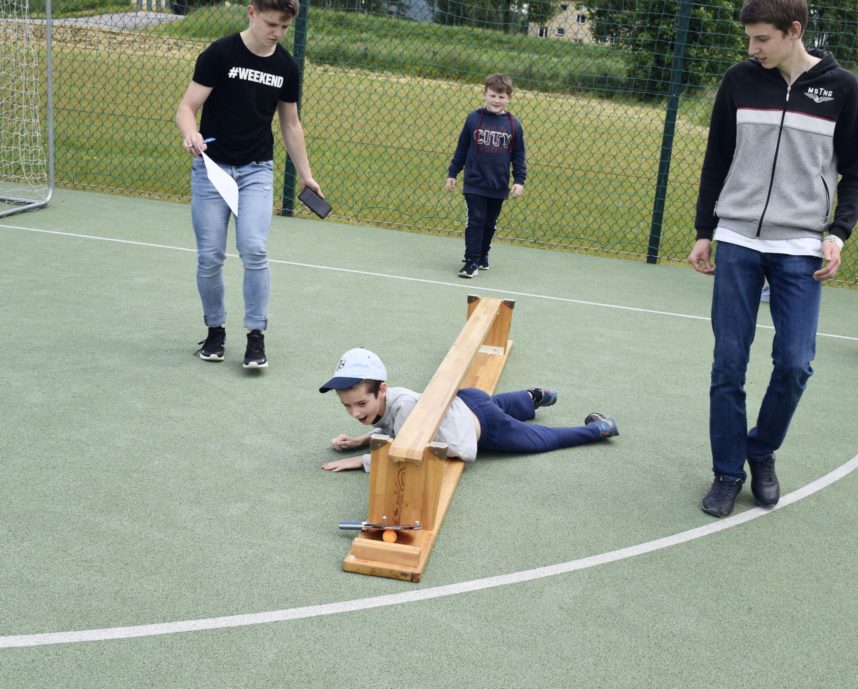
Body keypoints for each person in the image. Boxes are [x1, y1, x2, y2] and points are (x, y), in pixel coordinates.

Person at [686, 0, 858, 517]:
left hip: (801, 247)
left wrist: (838, 235)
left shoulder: (841, 88)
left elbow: (855, 172)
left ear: (794, 31)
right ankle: (727, 472)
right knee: (728, 363)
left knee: (795, 364)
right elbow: (716, 158)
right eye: (749, 38)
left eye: (762, 38)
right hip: (738, 238)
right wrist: (705, 231)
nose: (753, 48)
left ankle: (761, 450)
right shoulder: (739, 80)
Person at [175, 0, 322, 369]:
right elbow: (186, 107)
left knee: (254, 249)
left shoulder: (285, 66)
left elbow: (291, 124)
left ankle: (256, 336)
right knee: (210, 256)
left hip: (256, 170)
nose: (277, 33)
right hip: (212, 169)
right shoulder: (220, 54)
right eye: (271, 24)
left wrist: (306, 174)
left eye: (284, 27)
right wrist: (191, 134)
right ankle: (215, 331)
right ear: (251, 12)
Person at [318, 348, 617, 472]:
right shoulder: (390, 399)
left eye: (361, 404)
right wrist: (360, 440)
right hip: (467, 401)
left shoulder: (405, 407)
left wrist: (361, 460)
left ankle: (599, 429)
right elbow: (390, 428)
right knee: (498, 403)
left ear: (381, 389)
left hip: (484, 425)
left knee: (541, 439)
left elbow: (408, 453)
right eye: (347, 405)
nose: (355, 413)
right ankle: (532, 397)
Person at [445, 73, 527, 279]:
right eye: (492, 95)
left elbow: (518, 155)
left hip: (498, 184)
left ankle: (482, 255)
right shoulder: (473, 119)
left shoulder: (514, 125)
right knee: (476, 220)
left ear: (509, 98)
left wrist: (519, 180)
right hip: (474, 182)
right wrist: (453, 173)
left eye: (501, 97)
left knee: (489, 223)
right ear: (484, 94)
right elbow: (462, 148)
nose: (496, 100)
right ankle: (471, 261)